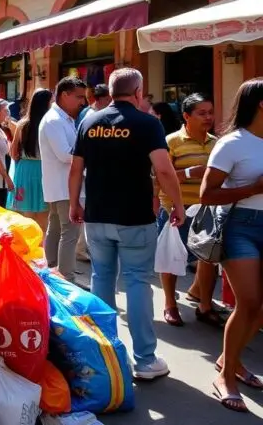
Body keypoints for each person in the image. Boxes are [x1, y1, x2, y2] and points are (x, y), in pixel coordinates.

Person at [70, 68, 184, 382]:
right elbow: (163, 169)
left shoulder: (89, 122)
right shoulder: (148, 123)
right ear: (137, 92)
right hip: (134, 217)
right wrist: (178, 204)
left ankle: (105, 352)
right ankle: (145, 360)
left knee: (102, 278)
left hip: (97, 215)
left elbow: (76, 169)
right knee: (136, 283)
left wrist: (73, 203)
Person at [200, 78, 263, 412]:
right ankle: (226, 376)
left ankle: (231, 358)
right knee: (249, 302)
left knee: (260, 307)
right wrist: (253, 188)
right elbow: (207, 194)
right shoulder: (233, 143)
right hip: (242, 227)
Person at [156, 94, 223, 328]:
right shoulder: (171, 142)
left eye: (210, 112)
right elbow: (157, 178)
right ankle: (169, 304)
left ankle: (205, 305)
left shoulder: (217, 143)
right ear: (186, 116)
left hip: (208, 209)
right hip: (177, 207)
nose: (208, 117)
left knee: (209, 259)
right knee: (172, 257)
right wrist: (187, 174)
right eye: (202, 113)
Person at [39, 76, 87, 281]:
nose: (82, 102)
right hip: (64, 186)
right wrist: (90, 156)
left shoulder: (62, 119)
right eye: (79, 97)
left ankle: (52, 273)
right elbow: (65, 154)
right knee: (69, 233)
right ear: (64, 95)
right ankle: (66, 277)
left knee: (58, 228)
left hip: (61, 185)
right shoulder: (54, 120)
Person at [8, 89, 52, 230]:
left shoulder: (22, 125)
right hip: (43, 171)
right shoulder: (49, 124)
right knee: (44, 219)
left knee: (24, 218)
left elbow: (13, 152)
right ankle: (41, 249)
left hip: (24, 171)